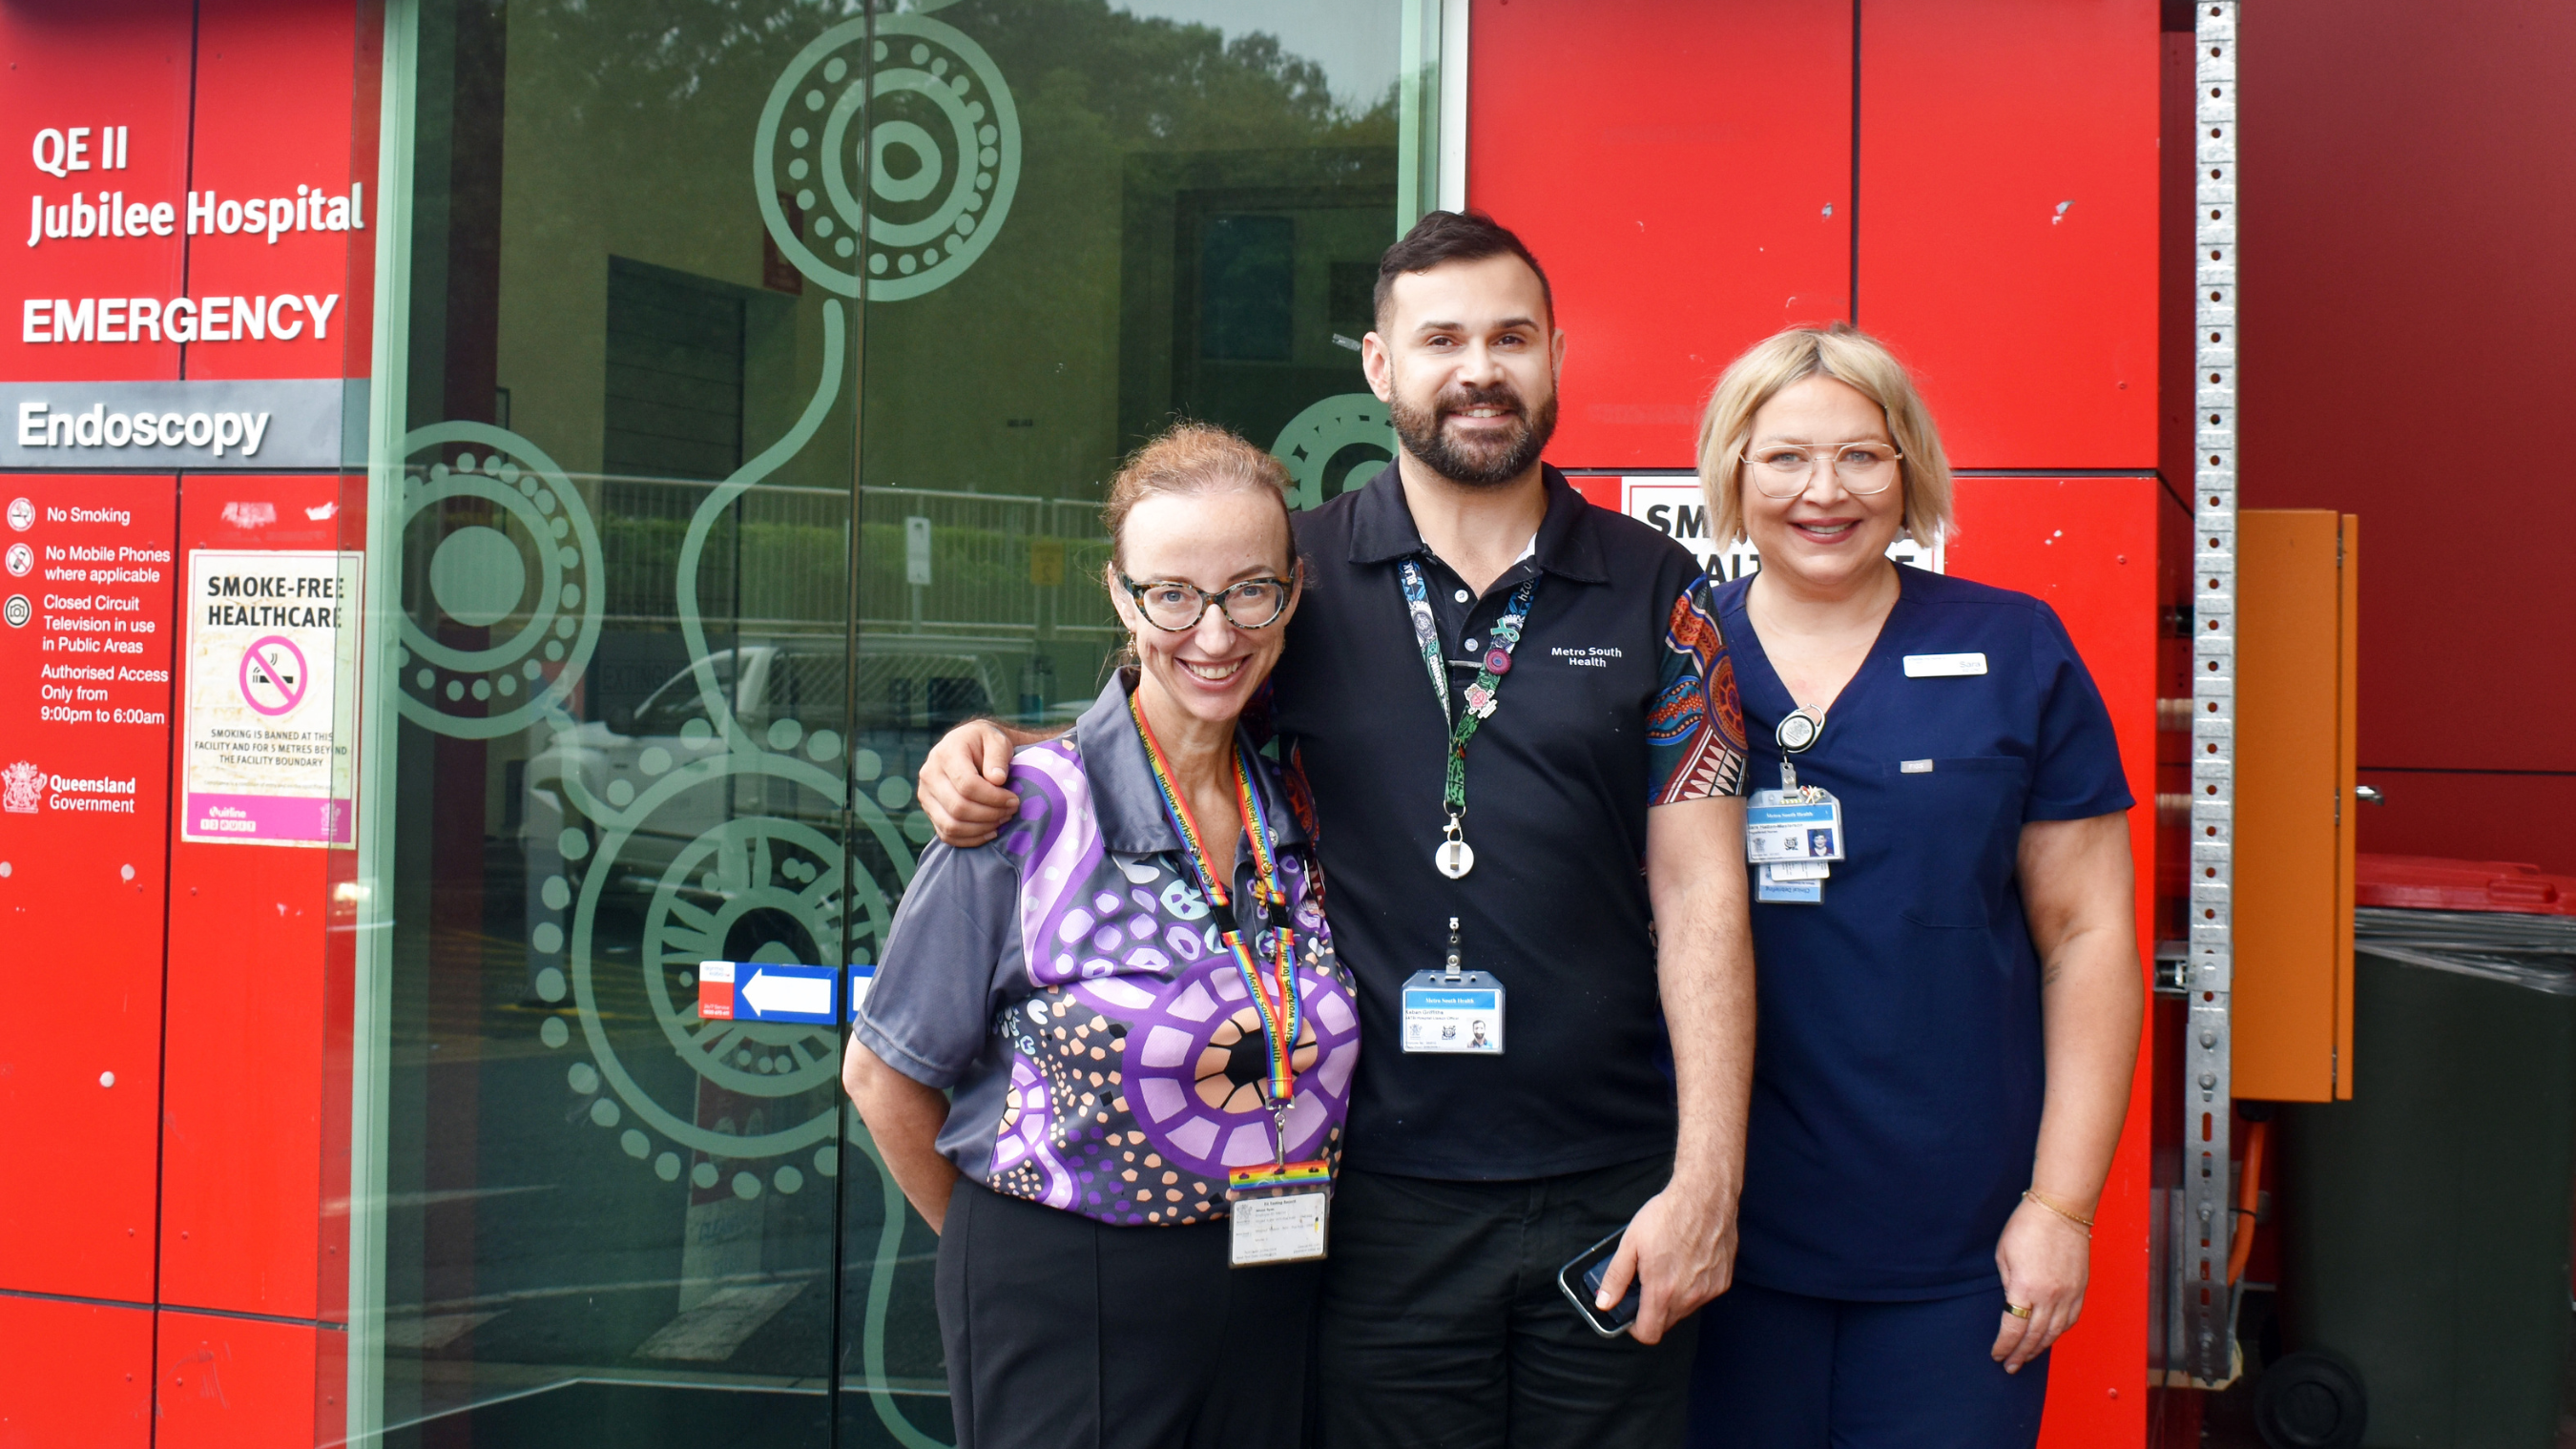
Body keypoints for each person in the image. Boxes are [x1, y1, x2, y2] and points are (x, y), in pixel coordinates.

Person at [917, 212, 1756, 1448]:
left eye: (1511, 336)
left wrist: (1706, 1180)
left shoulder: (1656, 591)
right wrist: (994, 749)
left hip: (1612, 1184)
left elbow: (1705, 902)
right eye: (1443, 338)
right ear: (1380, 366)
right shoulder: (1287, 579)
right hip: (1368, 1197)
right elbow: (1154, 717)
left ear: (1558, 356)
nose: (1480, 367)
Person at [843, 424, 1360, 1449]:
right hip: (1066, 1293)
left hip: (1270, 1284)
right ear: (1122, 598)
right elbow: (881, 1075)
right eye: (1172, 593)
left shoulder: (1296, 802)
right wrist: (1008, 1256)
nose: (1213, 633)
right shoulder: (1022, 813)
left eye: (1248, 590)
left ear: (1292, 595)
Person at [1680, 324, 2144, 1449]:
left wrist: (2060, 1206)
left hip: (1961, 1243)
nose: (1823, 491)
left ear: (1910, 471)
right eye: (1785, 456)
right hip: (1718, 1237)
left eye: (1862, 456)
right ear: (1733, 473)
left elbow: (2089, 934)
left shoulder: (2013, 645)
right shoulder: (1677, 651)